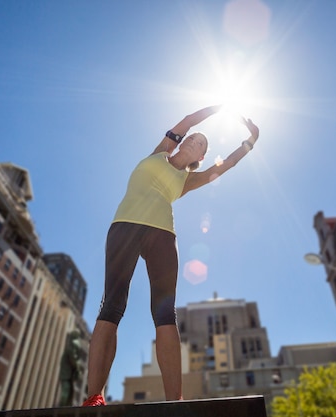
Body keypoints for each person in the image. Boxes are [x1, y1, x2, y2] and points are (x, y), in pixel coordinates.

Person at [82, 104, 259, 406]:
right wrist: (221, 105)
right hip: (124, 226)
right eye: (193, 138)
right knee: (111, 305)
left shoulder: (189, 181)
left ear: (201, 157)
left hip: (163, 234)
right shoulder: (159, 153)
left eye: (201, 143)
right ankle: (94, 397)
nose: (194, 140)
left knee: (165, 314)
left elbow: (226, 164)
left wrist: (251, 140)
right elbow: (188, 121)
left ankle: (174, 401)